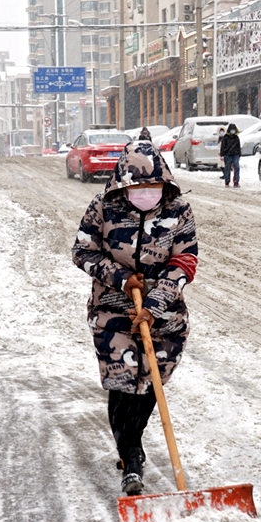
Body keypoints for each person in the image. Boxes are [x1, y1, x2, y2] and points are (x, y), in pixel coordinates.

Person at [72, 140, 199, 496]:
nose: (145, 193)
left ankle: (132, 442)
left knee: (150, 384)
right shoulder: (103, 208)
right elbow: (82, 251)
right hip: (113, 309)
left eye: (152, 186)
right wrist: (122, 279)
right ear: (123, 184)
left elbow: (185, 260)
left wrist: (155, 302)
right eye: (137, 187)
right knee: (122, 383)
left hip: (164, 314)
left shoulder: (179, 211)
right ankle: (131, 458)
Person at [219, 122, 242, 187]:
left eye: (234, 129)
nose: (233, 131)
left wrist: (239, 154)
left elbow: (238, 146)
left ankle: (236, 181)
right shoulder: (225, 138)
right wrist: (222, 154)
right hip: (227, 155)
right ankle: (227, 181)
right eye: (232, 129)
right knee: (227, 168)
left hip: (235, 154)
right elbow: (222, 146)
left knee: (237, 167)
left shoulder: (236, 138)